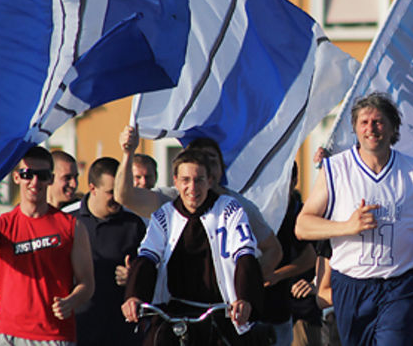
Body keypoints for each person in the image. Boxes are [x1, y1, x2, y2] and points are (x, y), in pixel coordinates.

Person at [295, 92, 413, 346]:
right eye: (364, 122)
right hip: (352, 283)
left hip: (400, 281)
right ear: (355, 128)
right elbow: (302, 225)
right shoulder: (335, 169)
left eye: (378, 122)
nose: (371, 128)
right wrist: (347, 226)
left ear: (393, 128)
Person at [121, 149, 266, 345]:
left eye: (199, 180)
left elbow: (245, 255)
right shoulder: (165, 216)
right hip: (174, 312)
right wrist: (134, 295)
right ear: (175, 181)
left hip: (221, 312)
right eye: (185, 180)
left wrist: (245, 298)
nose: (192, 188)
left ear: (209, 181)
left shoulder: (229, 210)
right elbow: (147, 256)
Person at [0, 146, 95, 345]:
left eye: (42, 176)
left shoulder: (71, 226)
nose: (34, 182)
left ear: (50, 179)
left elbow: (87, 283)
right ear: (17, 177)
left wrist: (71, 301)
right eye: (27, 174)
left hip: (53, 335)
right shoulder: (3, 225)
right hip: (10, 335)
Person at [115, 125, 283, 280]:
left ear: (221, 169)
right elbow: (124, 196)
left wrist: (247, 283)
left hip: (222, 299)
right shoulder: (170, 199)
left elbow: (273, 249)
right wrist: (128, 153)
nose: (204, 168)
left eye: (211, 161)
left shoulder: (238, 207)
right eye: (197, 161)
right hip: (174, 296)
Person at [70, 157, 147, 346]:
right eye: (111, 192)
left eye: (121, 190)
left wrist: (134, 277)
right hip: (79, 329)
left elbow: (151, 273)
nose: (118, 197)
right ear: (92, 188)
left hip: (121, 333)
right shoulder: (68, 222)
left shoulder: (135, 224)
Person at [262, 163, 317, 346]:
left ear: (294, 181)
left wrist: (277, 275)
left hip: (300, 310)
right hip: (264, 309)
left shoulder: (301, 215)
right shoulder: (261, 212)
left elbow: (310, 257)